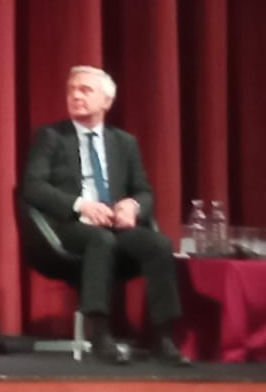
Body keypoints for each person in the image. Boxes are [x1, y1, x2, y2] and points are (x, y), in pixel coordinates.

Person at [21, 65, 190, 366]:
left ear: (106, 101)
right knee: (101, 240)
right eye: (72, 90)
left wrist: (133, 206)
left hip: (115, 225)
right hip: (68, 227)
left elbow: (144, 190)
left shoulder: (124, 142)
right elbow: (32, 187)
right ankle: (99, 334)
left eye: (85, 90)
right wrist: (81, 205)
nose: (76, 96)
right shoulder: (51, 136)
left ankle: (163, 338)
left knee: (159, 245)